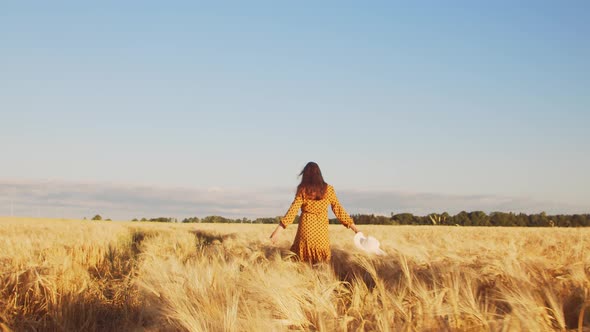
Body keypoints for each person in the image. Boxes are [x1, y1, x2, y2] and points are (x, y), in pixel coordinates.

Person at [270, 162, 359, 264]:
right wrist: (355, 229)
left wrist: (278, 231)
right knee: (322, 264)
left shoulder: (303, 190)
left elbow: (292, 210)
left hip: (306, 231)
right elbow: (338, 210)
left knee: (301, 262)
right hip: (321, 234)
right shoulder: (329, 189)